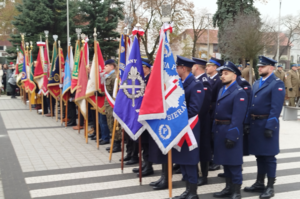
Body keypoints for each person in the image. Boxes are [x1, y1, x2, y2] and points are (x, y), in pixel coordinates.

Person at [244, 56, 285, 199]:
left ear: (271, 68)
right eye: (259, 66)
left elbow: (276, 108)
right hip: (256, 124)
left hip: (267, 124)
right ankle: (259, 183)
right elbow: (251, 105)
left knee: (269, 157)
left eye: (262, 66)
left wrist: (270, 126)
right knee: (259, 155)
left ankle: (270, 187)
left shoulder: (277, 84)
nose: (259, 68)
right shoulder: (256, 83)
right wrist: (247, 122)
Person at [212, 61, 248, 199]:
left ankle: (236, 191)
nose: (222, 76)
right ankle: (228, 187)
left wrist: (232, 135)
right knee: (225, 161)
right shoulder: (222, 89)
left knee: (234, 163)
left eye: (226, 73)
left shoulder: (239, 92)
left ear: (234, 76)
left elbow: (237, 117)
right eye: (222, 73)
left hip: (230, 130)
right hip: (220, 129)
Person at [173, 55, 204, 199]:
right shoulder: (181, 83)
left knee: (190, 159)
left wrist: (177, 118)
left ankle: (193, 192)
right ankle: (187, 190)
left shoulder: (195, 84)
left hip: (190, 127)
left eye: (177, 67)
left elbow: (194, 108)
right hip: (181, 126)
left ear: (183, 68)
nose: (176, 69)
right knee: (182, 158)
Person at [192, 58, 212, 186]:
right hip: (196, 120)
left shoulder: (204, 81)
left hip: (202, 120)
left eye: (193, 66)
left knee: (204, 148)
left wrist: (195, 117)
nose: (191, 68)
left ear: (197, 67)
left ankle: (203, 176)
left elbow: (204, 104)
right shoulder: (196, 80)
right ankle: (194, 173)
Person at [131, 58, 154, 175]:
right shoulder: (143, 79)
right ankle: (145, 164)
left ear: (146, 68)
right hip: (142, 115)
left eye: (142, 68)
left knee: (147, 143)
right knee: (143, 142)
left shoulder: (151, 79)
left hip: (148, 116)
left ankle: (149, 166)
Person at [206, 57, 223, 171]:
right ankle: (212, 158)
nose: (206, 67)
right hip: (209, 111)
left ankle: (216, 160)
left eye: (209, 66)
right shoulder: (209, 79)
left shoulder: (219, 80)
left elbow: (218, 97)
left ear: (215, 67)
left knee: (214, 137)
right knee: (210, 137)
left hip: (214, 111)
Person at [104, 59, 122, 152]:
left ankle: (117, 144)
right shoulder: (109, 76)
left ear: (112, 66)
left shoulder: (114, 77)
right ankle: (114, 143)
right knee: (110, 124)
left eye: (106, 66)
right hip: (108, 104)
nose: (104, 67)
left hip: (113, 104)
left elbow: (113, 92)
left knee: (114, 124)